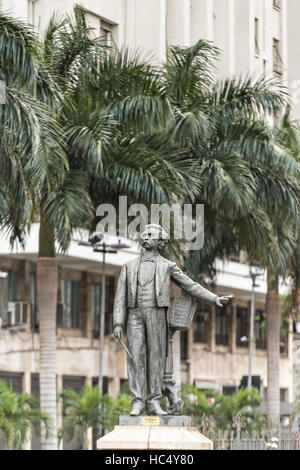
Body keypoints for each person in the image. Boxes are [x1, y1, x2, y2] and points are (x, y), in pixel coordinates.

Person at [113, 224, 233, 416]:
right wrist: (118, 323)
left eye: (151, 235)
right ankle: (137, 402)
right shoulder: (128, 267)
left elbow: (190, 285)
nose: (145, 236)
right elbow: (120, 298)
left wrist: (213, 298)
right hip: (134, 315)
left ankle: (153, 402)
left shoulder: (167, 266)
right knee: (135, 357)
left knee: (156, 359)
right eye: (144, 233)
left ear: (160, 243)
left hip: (157, 314)